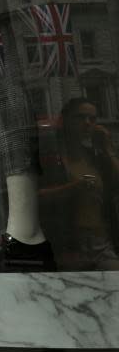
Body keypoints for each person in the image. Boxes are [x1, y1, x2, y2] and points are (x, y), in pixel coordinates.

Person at [40, 98, 119, 271]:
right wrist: (74, 188)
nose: (87, 123)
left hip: (102, 241)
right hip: (70, 244)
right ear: (65, 121)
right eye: (80, 117)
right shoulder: (51, 158)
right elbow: (35, 198)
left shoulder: (95, 157)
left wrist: (107, 147)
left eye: (92, 119)